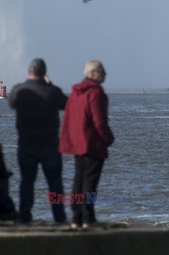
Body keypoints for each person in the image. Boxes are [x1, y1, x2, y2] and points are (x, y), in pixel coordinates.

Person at [8, 58, 67, 224]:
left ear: (29, 72)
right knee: (55, 183)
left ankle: (25, 216)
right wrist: (49, 85)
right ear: (44, 73)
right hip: (50, 146)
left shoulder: (18, 90)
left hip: (26, 145)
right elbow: (67, 104)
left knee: (27, 182)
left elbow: (11, 103)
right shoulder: (53, 91)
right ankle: (59, 217)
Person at [59, 60, 114, 229]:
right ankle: (88, 218)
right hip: (92, 144)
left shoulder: (76, 92)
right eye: (102, 71)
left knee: (78, 181)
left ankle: (76, 217)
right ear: (93, 73)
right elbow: (100, 122)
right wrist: (109, 139)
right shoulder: (95, 93)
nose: (105, 74)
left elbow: (70, 118)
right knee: (89, 184)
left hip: (77, 144)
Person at [0, 133, 16, 220]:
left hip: (27, 150)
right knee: (55, 183)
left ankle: (26, 214)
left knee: (27, 184)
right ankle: (59, 214)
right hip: (51, 149)